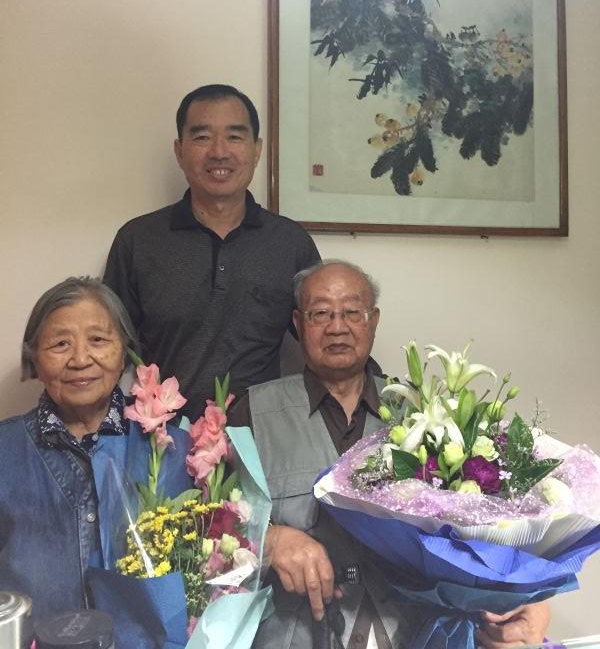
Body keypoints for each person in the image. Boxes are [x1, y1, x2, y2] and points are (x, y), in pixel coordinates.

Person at [228, 260, 551, 649]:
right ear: (298, 324)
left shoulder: (423, 412)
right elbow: (209, 529)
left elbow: (478, 525)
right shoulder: (251, 414)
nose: (337, 326)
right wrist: (270, 540)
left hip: (414, 634)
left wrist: (524, 596)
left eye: (352, 312)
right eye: (321, 313)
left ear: (374, 321)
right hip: (293, 634)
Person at [104, 84, 320, 421]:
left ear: (257, 149)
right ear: (179, 150)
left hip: (261, 437)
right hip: (162, 439)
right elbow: (107, 349)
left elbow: (327, 337)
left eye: (234, 137)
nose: (219, 152)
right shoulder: (138, 240)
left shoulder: (290, 242)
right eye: (202, 137)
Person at [0, 277, 190, 622]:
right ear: (35, 358)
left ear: (124, 352)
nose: (80, 359)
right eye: (60, 344)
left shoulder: (170, 446)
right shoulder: (5, 449)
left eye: (98, 340)